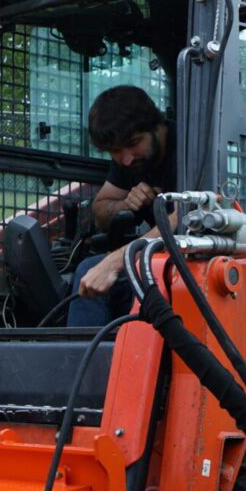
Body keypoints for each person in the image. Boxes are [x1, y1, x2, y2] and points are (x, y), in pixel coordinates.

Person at [65, 85, 176, 327]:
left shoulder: (187, 146)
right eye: (115, 152)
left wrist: (114, 263)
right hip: (154, 261)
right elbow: (101, 209)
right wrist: (126, 204)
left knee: (92, 268)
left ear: (157, 126)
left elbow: (185, 219)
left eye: (134, 143)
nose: (126, 158)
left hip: (196, 258)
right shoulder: (129, 162)